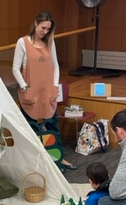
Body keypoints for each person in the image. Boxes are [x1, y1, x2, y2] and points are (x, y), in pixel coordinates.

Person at [12, 10, 77, 171]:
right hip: (30, 93)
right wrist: (25, 87)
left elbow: (55, 65)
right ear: (35, 23)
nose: (45, 32)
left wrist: (55, 87)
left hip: (48, 93)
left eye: (48, 29)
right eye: (43, 28)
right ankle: (33, 163)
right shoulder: (22, 42)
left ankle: (58, 159)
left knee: (53, 126)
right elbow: (15, 68)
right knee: (31, 128)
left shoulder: (50, 42)